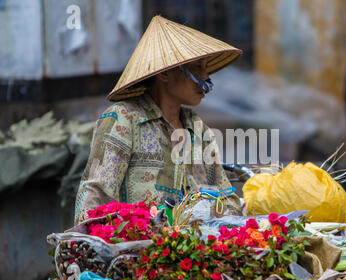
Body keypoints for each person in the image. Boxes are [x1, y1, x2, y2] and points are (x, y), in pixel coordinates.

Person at [74, 15, 243, 225]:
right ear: (164, 74)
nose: (206, 77)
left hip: (194, 252)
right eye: (197, 67)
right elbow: (95, 201)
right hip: (138, 252)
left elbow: (228, 199)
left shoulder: (199, 129)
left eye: (206, 67)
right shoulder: (123, 120)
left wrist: (211, 214)